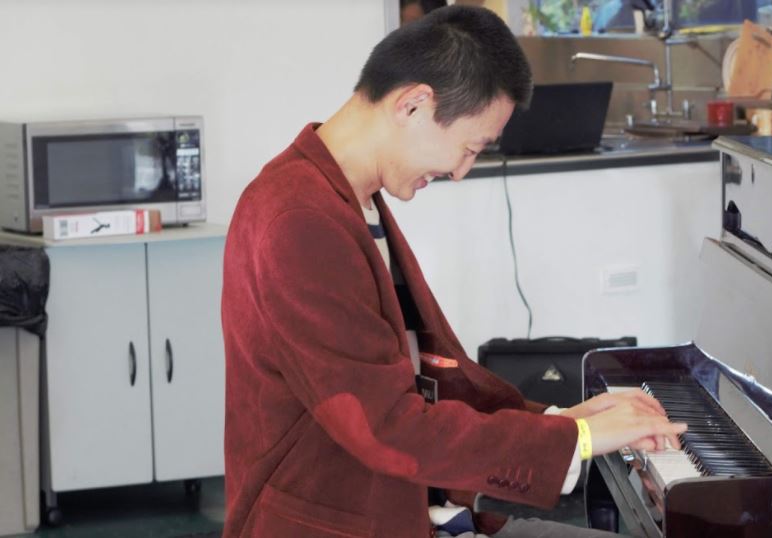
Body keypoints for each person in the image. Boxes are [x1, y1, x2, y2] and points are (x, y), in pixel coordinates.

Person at [221, 6, 686, 537]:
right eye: (470, 148)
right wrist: (578, 438)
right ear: (413, 104)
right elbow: (385, 426)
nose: (461, 172)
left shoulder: (345, 196)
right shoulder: (298, 221)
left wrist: (567, 418)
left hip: (405, 506)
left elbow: (424, 383)